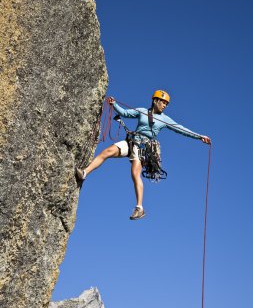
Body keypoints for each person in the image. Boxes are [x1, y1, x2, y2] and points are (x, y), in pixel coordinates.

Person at [76, 90, 211, 220]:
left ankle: (140, 207)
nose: (164, 105)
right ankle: (85, 173)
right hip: (132, 141)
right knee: (107, 152)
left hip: (144, 147)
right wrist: (114, 104)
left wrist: (199, 137)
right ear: (155, 100)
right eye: (162, 102)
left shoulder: (165, 119)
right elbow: (125, 113)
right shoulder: (142, 111)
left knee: (135, 173)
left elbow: (180, 129)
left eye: (166, 103)